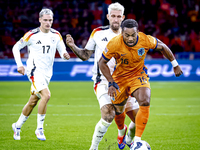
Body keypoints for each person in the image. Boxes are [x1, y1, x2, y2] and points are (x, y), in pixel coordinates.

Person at [99, 19, 183, 149]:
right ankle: (121, 132)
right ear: (122, 33)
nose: (131, 38)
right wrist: (110, 82)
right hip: (120, 79)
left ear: (137, 32)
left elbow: (163, 46)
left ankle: (137, 141)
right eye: (127, 35)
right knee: (119, 111)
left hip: (138, 76)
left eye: (133, 35)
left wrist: (175, 64)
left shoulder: (145, 40)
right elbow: (101, 63)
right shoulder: (114, 43)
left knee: (145, 100)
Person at [66, 2, 139, 149]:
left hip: (125, 82)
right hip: (103, 81)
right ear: (108, 16)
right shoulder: (98, 33)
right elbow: (86, 55)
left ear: (123, 18)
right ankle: (93, 148)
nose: (116, 19)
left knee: (140, 119)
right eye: (113, 16)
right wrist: (73, 46)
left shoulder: (130, 36)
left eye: (119, 16)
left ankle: (128, 138)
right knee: (108, 113)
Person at [12, 8, 70, 141]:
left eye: (50, 20)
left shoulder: (56, 35)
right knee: (47, 95)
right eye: (45, 20)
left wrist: (65, 55)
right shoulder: (31, 35)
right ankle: (39, 129)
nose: (48, 23)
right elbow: (16, 47)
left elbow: (63, 52)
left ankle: (17, 125)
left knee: (33, 101)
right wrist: (19, 65)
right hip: (34, 71)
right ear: (39, 20)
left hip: (47, 73)